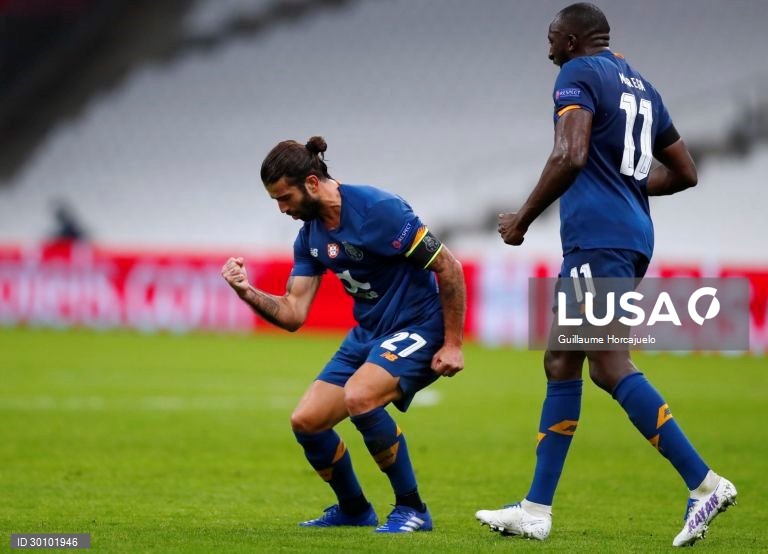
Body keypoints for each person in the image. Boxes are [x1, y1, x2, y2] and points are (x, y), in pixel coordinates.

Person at [475, 3, 736, 547]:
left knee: (610, 364)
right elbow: (686, 172)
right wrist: (629, 186)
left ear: (571, 40)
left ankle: (704, 483)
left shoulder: (578, 74)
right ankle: (536, 508)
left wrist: (520, 219)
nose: (547, 47)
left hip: (598, 238)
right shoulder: (642, 85)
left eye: (551, 37)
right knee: (567, 361)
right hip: (630, 235)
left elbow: (569, 155)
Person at [221, 136, 466, 533]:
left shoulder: (380, 211)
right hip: (368, 332)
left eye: (285, 198)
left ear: (313, 183)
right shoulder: (310, 238)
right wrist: (246, 291)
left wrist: (453, 343)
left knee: (361, 396)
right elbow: (293, 313)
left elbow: (449, 267)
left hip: (419, 325)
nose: (283, 209)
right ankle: (354, 509)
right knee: (307, 421)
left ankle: (413, 508)